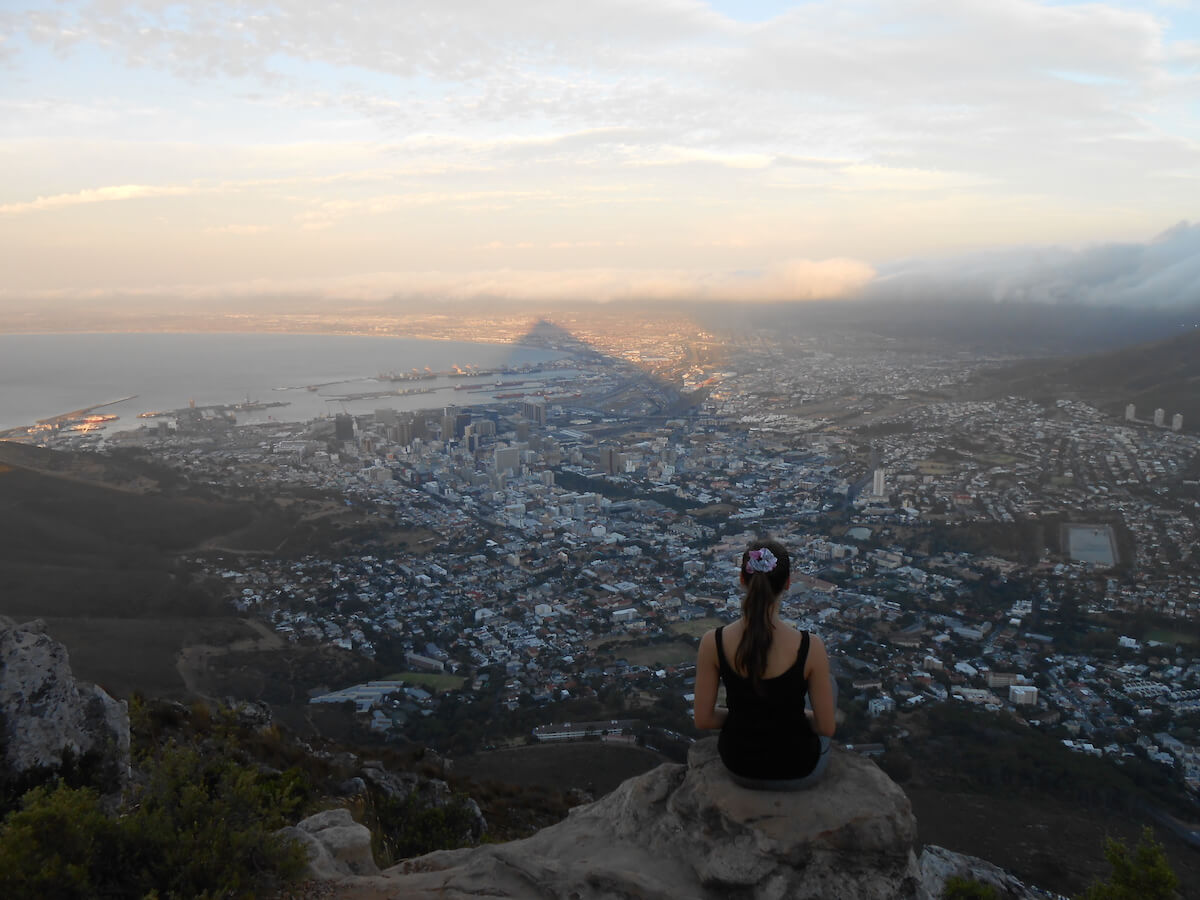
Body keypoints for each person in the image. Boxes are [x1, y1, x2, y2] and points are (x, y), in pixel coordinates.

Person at [693, 538, 836, 789]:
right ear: (788, 584)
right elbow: (826, 727)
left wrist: (748, 716)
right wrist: (783, 717)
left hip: (739, 766)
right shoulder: (810, 646)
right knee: (829, 684)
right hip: (798, 767)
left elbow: (703, 720)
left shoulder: (712, 642)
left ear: (741, 580)